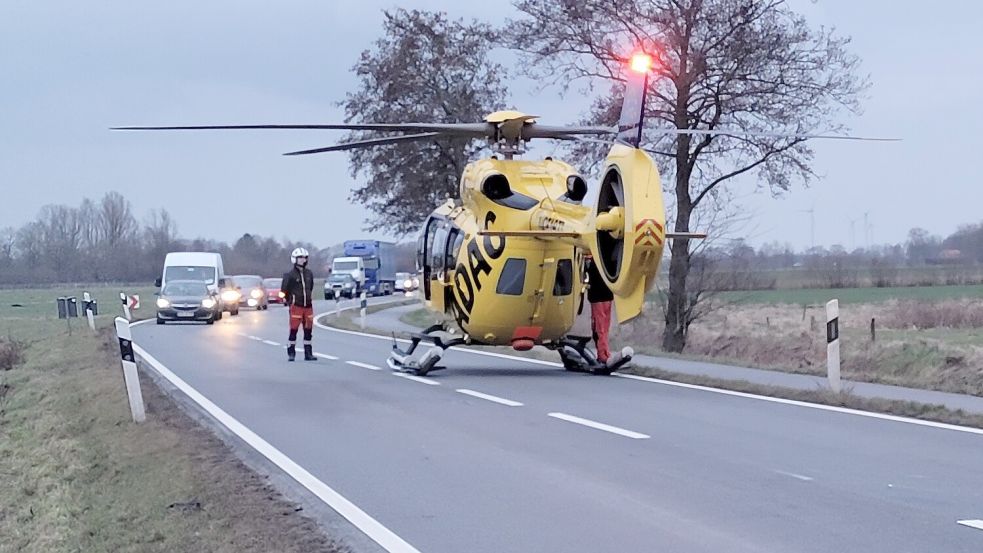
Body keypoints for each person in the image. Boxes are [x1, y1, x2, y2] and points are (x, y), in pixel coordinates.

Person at [281, 247, 316, 362]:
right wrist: (289, 301)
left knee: (308, 330)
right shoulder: (290, 275)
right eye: (300, 258)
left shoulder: (309, 274)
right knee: (294, 330)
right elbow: (284, 291)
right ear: (294, 259)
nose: (303, 260)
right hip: (296, 306)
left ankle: (308, 353)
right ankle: (291, 352)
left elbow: (310, 287)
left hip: (308, 307)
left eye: (305, 258)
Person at [585, 255, 613, 365]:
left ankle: (603, 354)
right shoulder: (609, 260)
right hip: (606, 297)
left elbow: (588, 277)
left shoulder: (592, 262)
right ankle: (603, 353)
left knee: (600, 328)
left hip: (598, 298)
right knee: (603, 328)